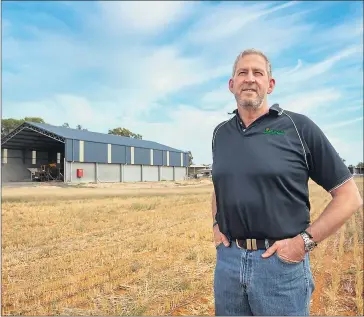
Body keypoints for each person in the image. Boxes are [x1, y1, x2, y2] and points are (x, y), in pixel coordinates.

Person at [211, 48, 363, 316]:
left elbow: (349, 196)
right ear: (231, 84)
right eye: (242, 72)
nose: (249, 78)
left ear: (270, 84)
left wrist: (302, 244)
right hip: (229, 264)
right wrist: (216, 225)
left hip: (280, 268)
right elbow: (219, 187)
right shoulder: (221, 134)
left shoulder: (298, 128)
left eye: (257, 73)